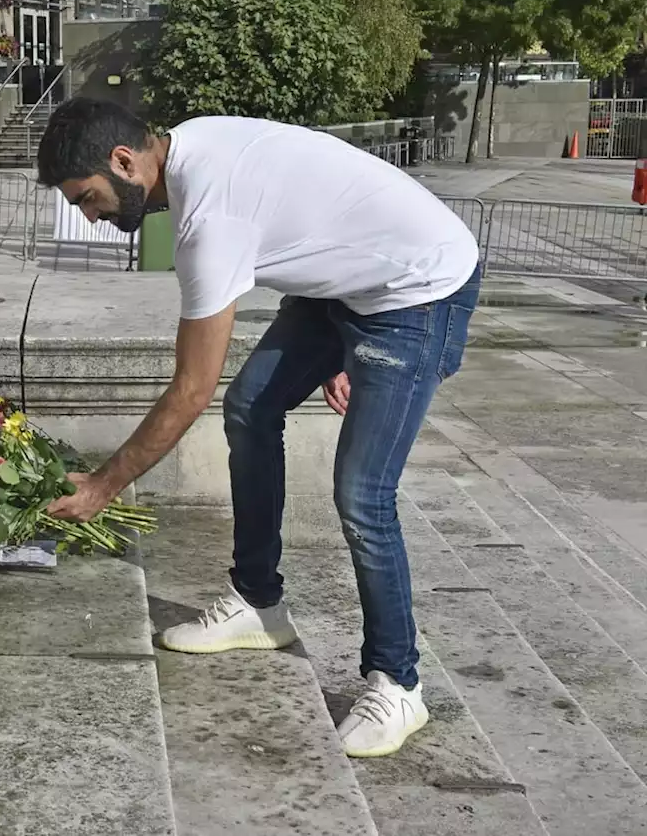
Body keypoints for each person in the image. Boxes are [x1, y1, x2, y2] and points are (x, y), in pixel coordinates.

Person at [39, 97, 481, 758]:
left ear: (125, 161)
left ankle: (400, 681)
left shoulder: (208, 216)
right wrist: (339, 343)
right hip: (352, 284)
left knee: (363, 492)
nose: (88, 215)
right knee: (250, 406)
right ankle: (257, 600)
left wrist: (105, 484)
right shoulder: (192, 146)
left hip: (421, 288)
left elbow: (190, 390)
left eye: (88, 197)